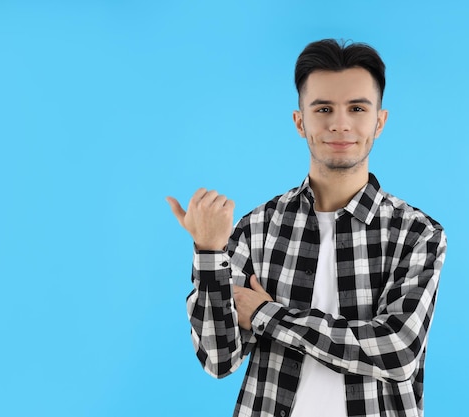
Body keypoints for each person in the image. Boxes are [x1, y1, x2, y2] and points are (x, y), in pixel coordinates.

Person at [166, 39, 447, 417]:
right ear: (301, 121)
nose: (340, 123)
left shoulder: (416, 234)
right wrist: (208, 252)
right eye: (324, 108)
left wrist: (268, 315)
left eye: (357, 108)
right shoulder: (259, 228)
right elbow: (219, 359)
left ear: (379, 121)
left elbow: (397, 351)